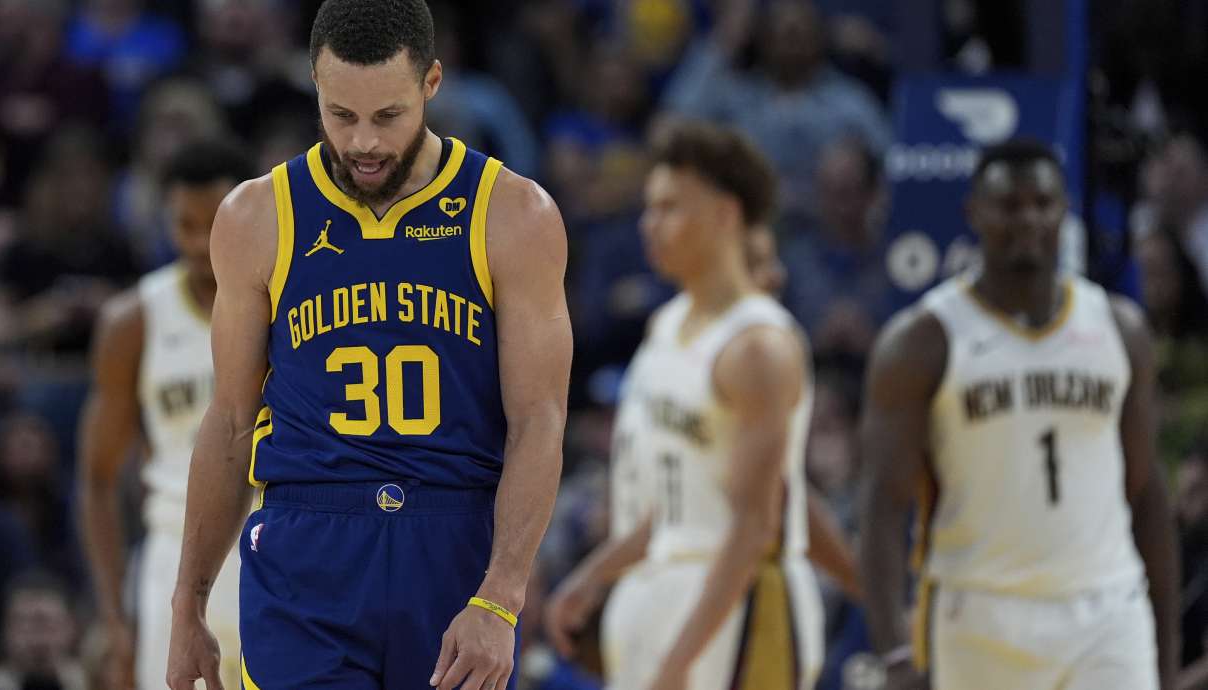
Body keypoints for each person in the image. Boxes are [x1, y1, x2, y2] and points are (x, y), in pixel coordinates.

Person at [165, 1, 572, 689]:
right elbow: (231, 423)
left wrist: (502, 596)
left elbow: (538, 420)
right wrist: (188, 605)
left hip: (452, 539)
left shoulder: (513, 213)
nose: (363, 143)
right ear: (315, 89)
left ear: (431, 84)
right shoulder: (258, 215)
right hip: (309, 541)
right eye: (340, 115)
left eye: (387, 116)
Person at [858, 139, 1180, 690]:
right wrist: (892, 649)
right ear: (974, 213)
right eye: (1009, 205)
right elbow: (883, 504)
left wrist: (1166, 653)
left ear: (1064, 211)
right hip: (980, 611)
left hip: (1106, 607)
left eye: (1042, 202)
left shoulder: (1119, 329)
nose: (1028, 217)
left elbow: (1147, 490)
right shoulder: (924, 340)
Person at [544, 120, 824, 690]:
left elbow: (752, 526)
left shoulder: (757, 348)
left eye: (670, 207)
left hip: (743, 603)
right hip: (665, 586)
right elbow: (680, 502)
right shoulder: (666, 327)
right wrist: (594, 575)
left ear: (724, 215)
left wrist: (677, 664)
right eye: (650, 206)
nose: (650, 224)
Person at [77, 140, 252, 690]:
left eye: (215, 224)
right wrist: (113, 617)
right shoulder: (133, 322)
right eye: (185, 225)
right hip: (174, 557)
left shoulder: (291, 307)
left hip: (276, 549)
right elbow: (98, 480)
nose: (201, 244)